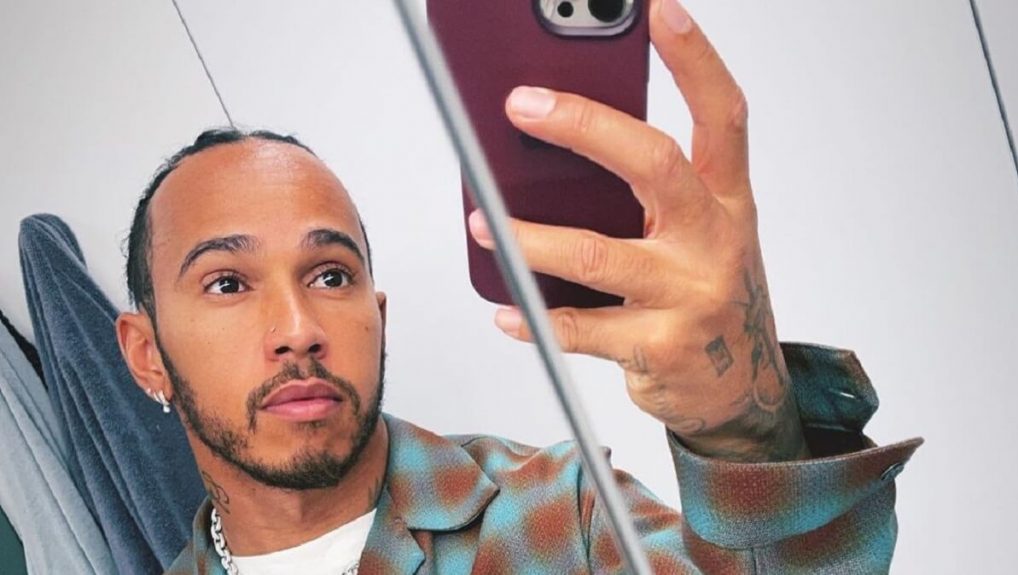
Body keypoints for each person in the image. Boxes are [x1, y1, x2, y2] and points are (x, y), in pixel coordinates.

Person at [114, 1, 921, 573]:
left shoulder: (561, 513)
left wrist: (747, 431)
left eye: (332, 274)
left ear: (377, 315)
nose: (298, 326)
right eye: (227, 282)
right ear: (147, 354)